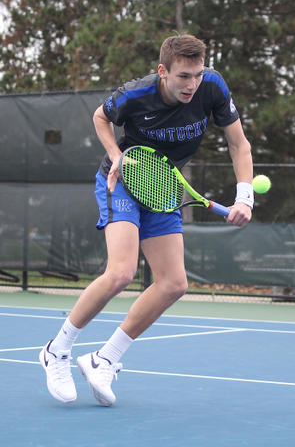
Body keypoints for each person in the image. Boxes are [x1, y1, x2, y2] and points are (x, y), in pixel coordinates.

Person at [39, 34, 254, 406]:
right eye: (184, 76)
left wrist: (244, 197)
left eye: (198, 75)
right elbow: (100, 117)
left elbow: (240, 144)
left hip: (164, 185)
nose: (192, 84)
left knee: (173, 284)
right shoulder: (135, 94)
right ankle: (56, 350)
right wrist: (115, 154)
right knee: (121, 272)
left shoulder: (213, 87)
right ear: (162, 71)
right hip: (122, 180)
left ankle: (104, 359)